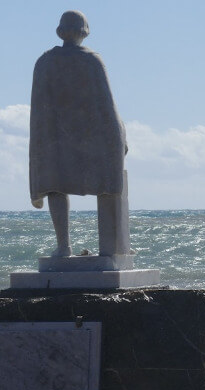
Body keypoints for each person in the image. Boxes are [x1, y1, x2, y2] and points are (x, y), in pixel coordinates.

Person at [30, 10, 127, 258]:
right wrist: (120, 135)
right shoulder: (92, 60)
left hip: (55, 139)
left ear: (60, 31)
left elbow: (39, 113)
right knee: (106, 184)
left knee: (55, 186)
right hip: (90, 138)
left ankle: (64, 247)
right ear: (85, 32)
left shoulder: (44, 62)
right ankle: (110, 249)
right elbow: (107, 105)